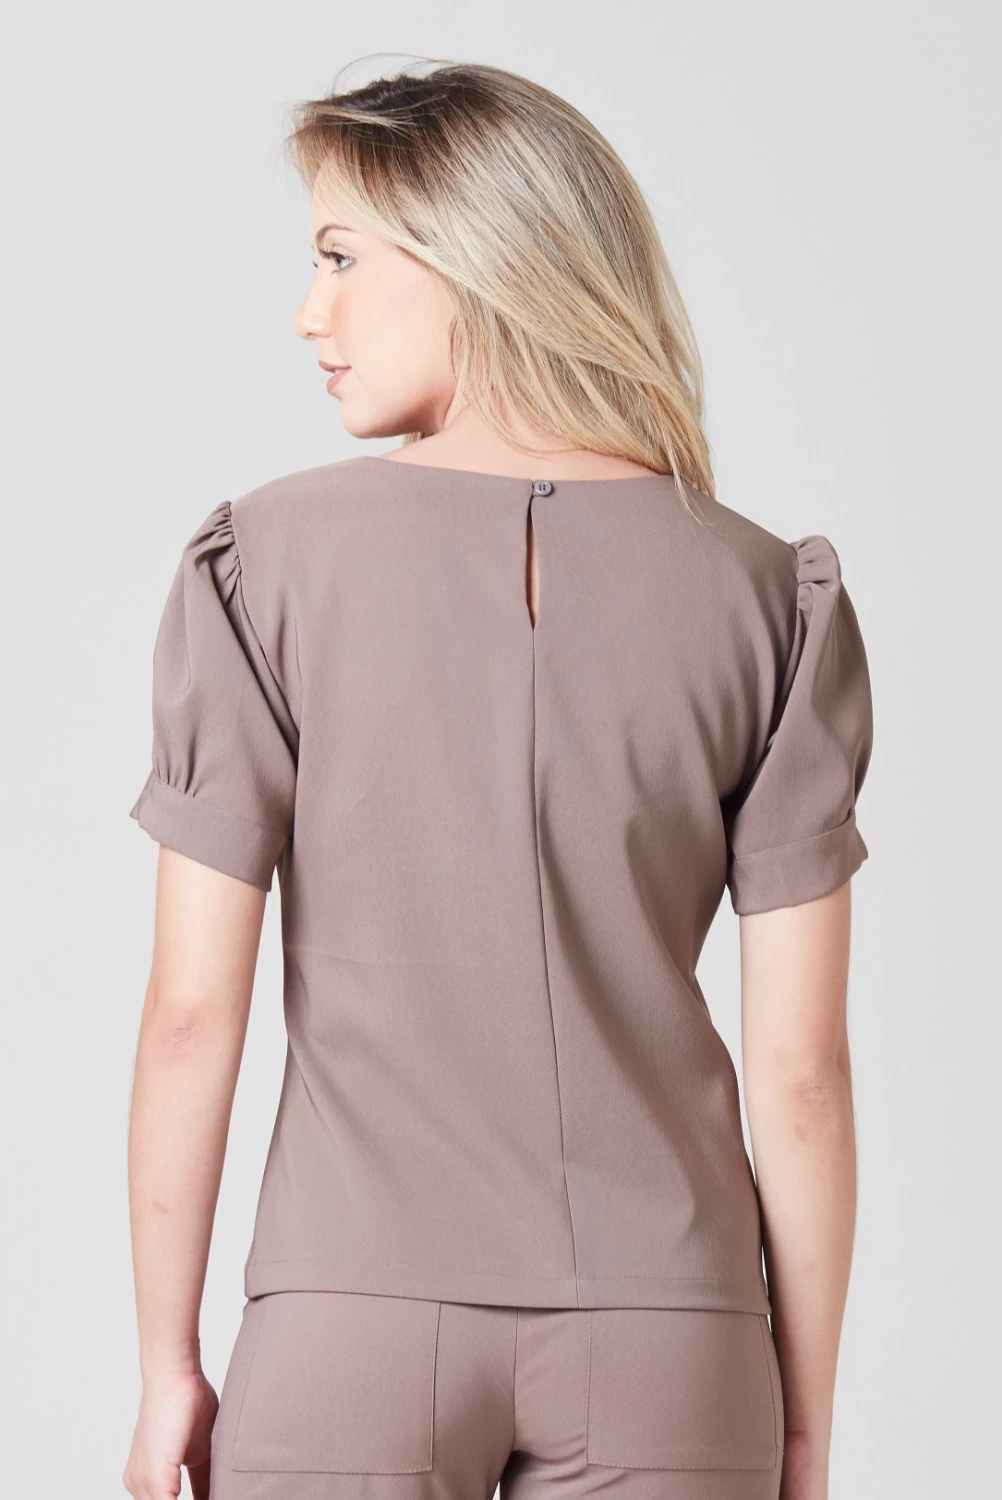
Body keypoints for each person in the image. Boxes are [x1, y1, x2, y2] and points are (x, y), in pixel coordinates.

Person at [122, 60, 872, 1500]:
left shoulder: (262, 568)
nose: (310, 313)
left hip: (347, 1312)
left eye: (342, 257)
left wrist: (168, 1363)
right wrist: (802, 1423)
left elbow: (190, 1013)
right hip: (672, 1334)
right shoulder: (765, 596)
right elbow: (803, 1074)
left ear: (471, 258)